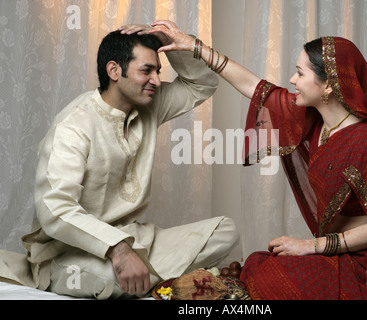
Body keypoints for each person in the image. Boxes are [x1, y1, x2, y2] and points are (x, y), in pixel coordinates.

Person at [120, 21, 367, 300]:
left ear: (328, 85)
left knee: (275, 277)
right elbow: (253, 86)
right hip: (336, 252)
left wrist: (310, 247)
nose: (293, 79)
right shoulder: (315, 121)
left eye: (300, 73)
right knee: (261, 262)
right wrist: (195, 47)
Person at [0, 29, 239, 299]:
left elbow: (203, 84)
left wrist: (168, 43)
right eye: (147, 70)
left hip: (135, 239)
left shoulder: (150, 104)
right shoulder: (74, 126)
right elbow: (56, 209)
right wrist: (118, 250)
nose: (157, 81)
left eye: (158, 71)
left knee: (225, 231)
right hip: (71, 250)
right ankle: (151, 277)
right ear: (114, 70)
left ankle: (145, 276)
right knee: (108, 282)